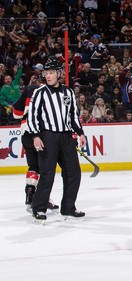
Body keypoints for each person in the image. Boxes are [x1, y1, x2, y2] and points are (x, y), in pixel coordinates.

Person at [27, 56, 87, 222]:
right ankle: (38, 208)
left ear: (59, 73)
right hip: (48, 136)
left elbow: (73, 115)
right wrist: (36, 136)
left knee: (73, 173)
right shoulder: (39, 93)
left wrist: (80, 133)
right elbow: (32, 116)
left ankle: (68, 207)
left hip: (67, 137)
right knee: (47, 173)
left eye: (52, 72)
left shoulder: (67, 92)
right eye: (46, 72)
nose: (48, 76)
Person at [13, 82, 59, 213]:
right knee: (46, 169)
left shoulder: (29, 90)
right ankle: (42, 199)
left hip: (26, 133)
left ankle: (30, 194)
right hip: (42, 133)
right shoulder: (50, 92)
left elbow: (16, 113)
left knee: (33, 167)